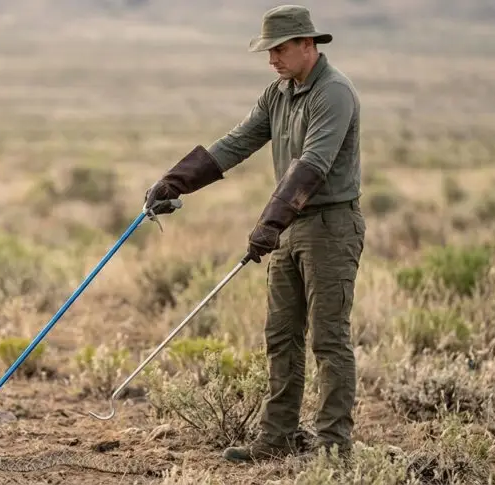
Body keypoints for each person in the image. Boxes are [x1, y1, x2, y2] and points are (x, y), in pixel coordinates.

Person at [143, 5, 366, 463]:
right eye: (269, 52)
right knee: (281, 334)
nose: (272, 60)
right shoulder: (278, 93)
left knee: (328, 338)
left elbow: (313, 166)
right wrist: (176, 181)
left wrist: (268, 223)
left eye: (280, 49)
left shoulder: (335, 93)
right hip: (290, 225)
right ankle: (277, 437)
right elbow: (237, 141)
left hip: (330, 227)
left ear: (309, 44)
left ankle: (332, 448)